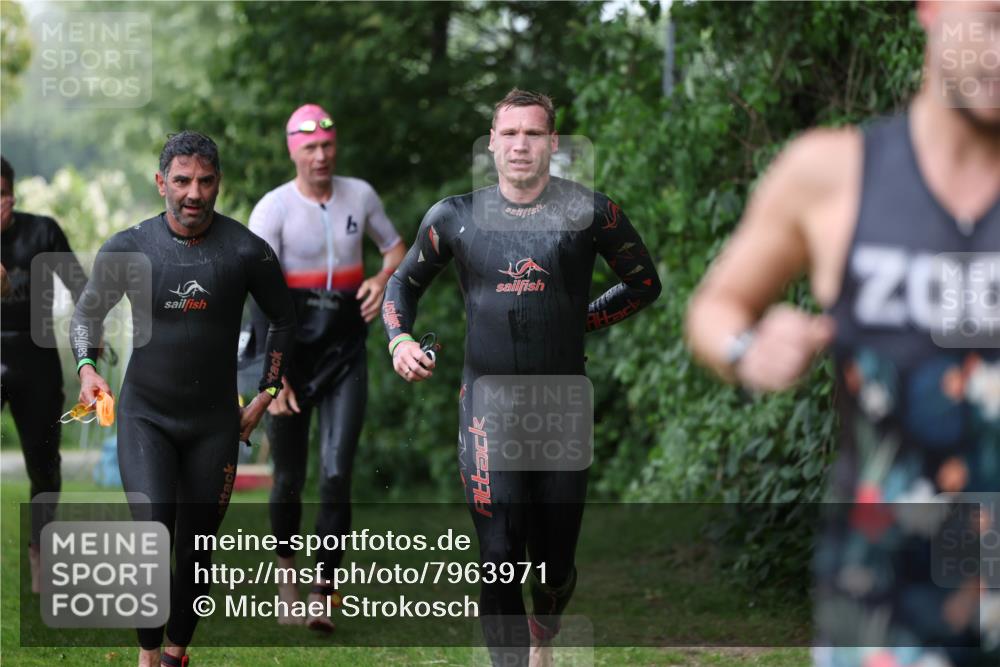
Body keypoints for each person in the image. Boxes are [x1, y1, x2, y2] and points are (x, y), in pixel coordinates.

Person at [685, 2, 999, 665]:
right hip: (883, 605)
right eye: (994, 21)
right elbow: (715, 308)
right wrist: (749, 349)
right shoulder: (834, 174)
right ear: (932, 10)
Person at [383, 88, 661, 666]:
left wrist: (579, 319)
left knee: (555, 565)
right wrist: (401, 340)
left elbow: (644, 283)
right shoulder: (453, 217)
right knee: (498, 553)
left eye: (533, 134)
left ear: (552, 143)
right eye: (509, 134)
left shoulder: (590, 211)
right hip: (487, 409)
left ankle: (545, 627)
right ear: (492, 143)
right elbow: (402, 285)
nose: (520, 146)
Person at [70, 131, 296, 667]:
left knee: (195, 551)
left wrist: (265, 393)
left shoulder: (246, 250)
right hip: (144, 413)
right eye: (182, 181)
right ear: (160, 184)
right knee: (151, 539)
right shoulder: (129, 247)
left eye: (205, 181)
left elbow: (284, 322)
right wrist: (87, 370)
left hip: (215, 424)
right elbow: (88, 315)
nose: (194, 193)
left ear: (218, 183)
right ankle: (148, 658)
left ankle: (175, 654)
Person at [247, 103, 405, 632]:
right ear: (293, 150)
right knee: (289, 476)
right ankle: (286, 576)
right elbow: (259, 296)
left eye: (328, 146)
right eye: (310, 147)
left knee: (337, 472)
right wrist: (274, 374)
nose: (320, 156)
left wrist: (382, 281)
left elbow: (396, 248)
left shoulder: (359, 194)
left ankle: (323, 589)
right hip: (291, 357)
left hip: (345, 355)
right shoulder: (272, 209)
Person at [0, 155, 89, 593]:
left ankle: (40, 550)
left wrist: (89, 344)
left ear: (9, 199)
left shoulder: (42, 231)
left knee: (45, 466)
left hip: (34, 356)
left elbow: (82, 288)